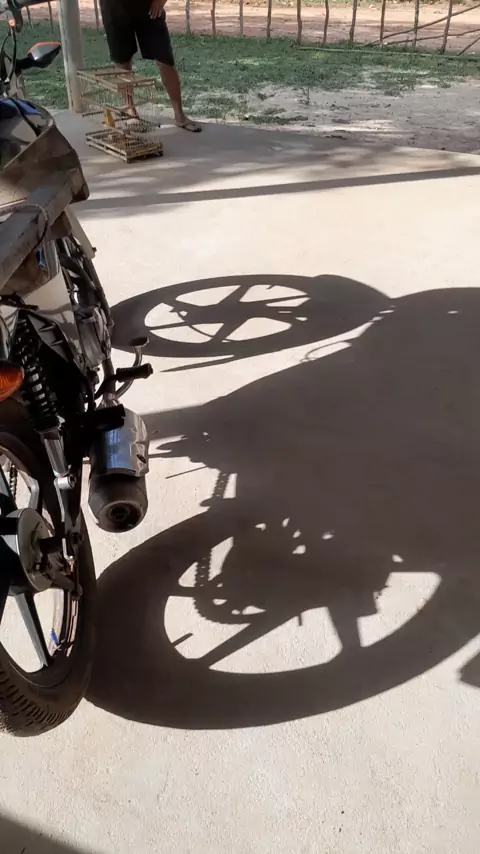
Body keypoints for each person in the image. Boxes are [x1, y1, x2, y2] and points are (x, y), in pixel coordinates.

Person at [99, 0, 201, 132]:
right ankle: (130, 110)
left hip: (148, 6)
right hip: (114, 6)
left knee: (164, 58)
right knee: (122, 59)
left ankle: (179, 115)